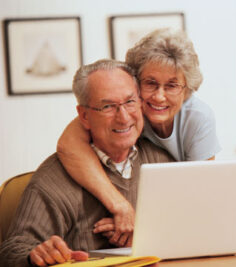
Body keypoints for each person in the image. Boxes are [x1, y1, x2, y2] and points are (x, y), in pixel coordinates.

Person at [0, 59, 174, 267]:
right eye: (108, 106)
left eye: (130, 102)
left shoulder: (163, 161)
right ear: (84, 116)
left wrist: (145, 231)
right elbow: (12, 251)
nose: (124, 117)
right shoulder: (52, 180)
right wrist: (35, 255)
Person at [57, 29, 221, 242]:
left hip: (178, 225)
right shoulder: (127, 111)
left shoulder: (198, 118)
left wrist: (141, 223)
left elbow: (200, 199)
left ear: (187, 90)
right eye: (150, 83)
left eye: (172, 85)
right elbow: (69, 145)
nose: (159, 97)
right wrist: (122, 207)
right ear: (135, 84)